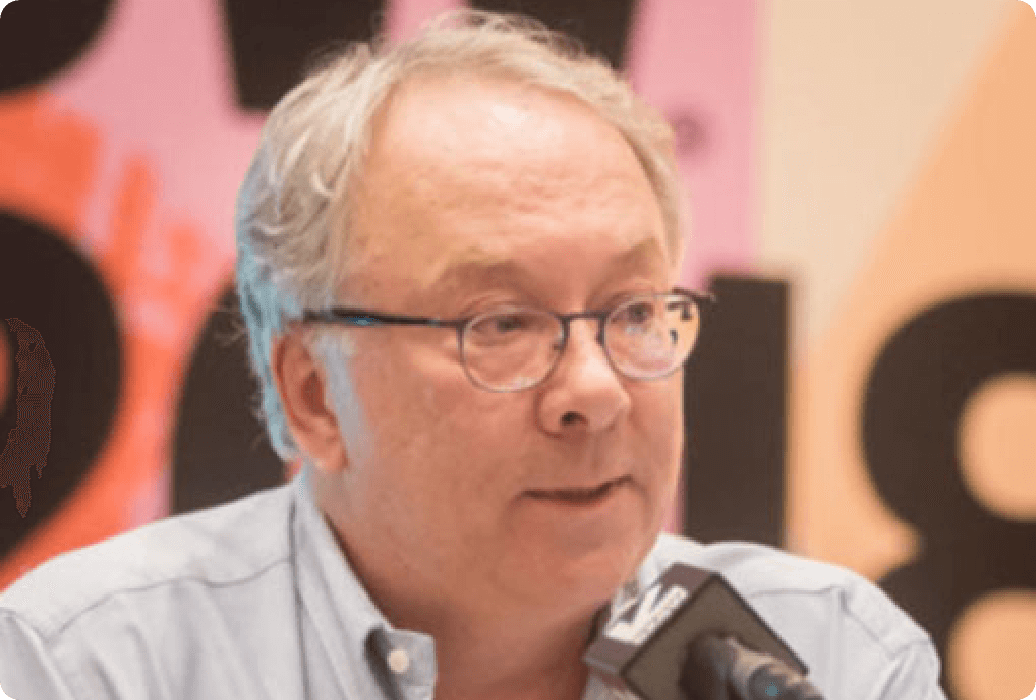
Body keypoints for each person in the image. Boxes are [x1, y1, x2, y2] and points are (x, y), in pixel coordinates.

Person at [0, 9, 948, 700]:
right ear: (314, 396)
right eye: (499, 324)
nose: (597, 392)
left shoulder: (829, 658)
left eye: (632, 311)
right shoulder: (90, 665)